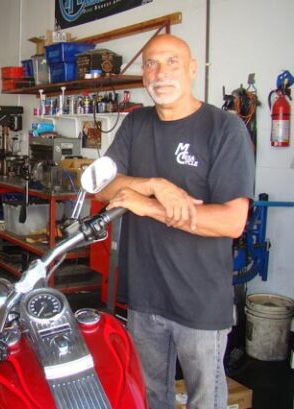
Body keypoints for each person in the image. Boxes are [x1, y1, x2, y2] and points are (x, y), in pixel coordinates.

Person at [96, 34, 255, 409]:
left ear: (193, 69)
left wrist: (147, 206)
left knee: (206, 400)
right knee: (151, 397)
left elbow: (232, 222)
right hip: (144, 298)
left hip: (199, 302)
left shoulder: (224, 129)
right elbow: (102, 184)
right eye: (151, 63)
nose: (160, 72)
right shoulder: (136, 124)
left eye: (172, 62)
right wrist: (154, 185)